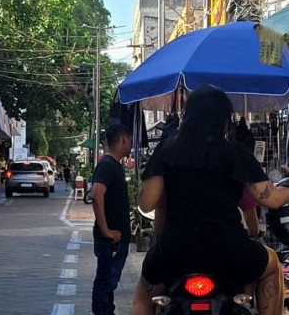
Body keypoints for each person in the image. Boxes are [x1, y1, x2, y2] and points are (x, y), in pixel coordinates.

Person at [131, 85, 289, 315]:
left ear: (188, 115)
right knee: (272, 264)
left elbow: (146, 203)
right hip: (229, 249)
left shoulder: (167, 150)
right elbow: (272, 199)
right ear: (225, 119)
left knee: (144, 299)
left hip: (176, 250)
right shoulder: (236, 153)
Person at [91, 122, 133, 315]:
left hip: (114, 238)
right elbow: (96, 194)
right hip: (111, 239)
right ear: (123, 139)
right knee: (105, 282)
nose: (131, 144)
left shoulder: (112, 165)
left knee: (108, 283)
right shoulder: (107, 165)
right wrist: (106, 230)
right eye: (130, 140)